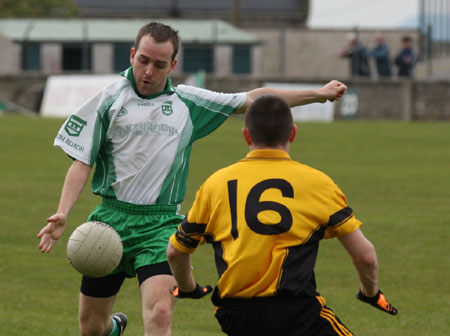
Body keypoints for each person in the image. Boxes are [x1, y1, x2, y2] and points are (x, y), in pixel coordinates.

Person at [37, 21, 347, 336]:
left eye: (159, 65)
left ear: (172, 66)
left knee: (160, 313)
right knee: (91, 328)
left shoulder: (186, 103)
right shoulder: (108, 100)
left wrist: (317, 94)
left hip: (160, 226)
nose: (148, 71)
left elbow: (251, 99)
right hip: (109, 223)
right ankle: (114, 328)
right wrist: (63, 213)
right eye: (143, 60)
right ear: (132, 55)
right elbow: (82, 161)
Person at [167, 95, 398, 336]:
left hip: (235, 314)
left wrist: (188, 288)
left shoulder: (215, 184)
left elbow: (176, 251)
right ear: (293, 133)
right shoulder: (317, 183)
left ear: (246, 135)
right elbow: (366, 257)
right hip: (296, 313)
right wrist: (370, 293)